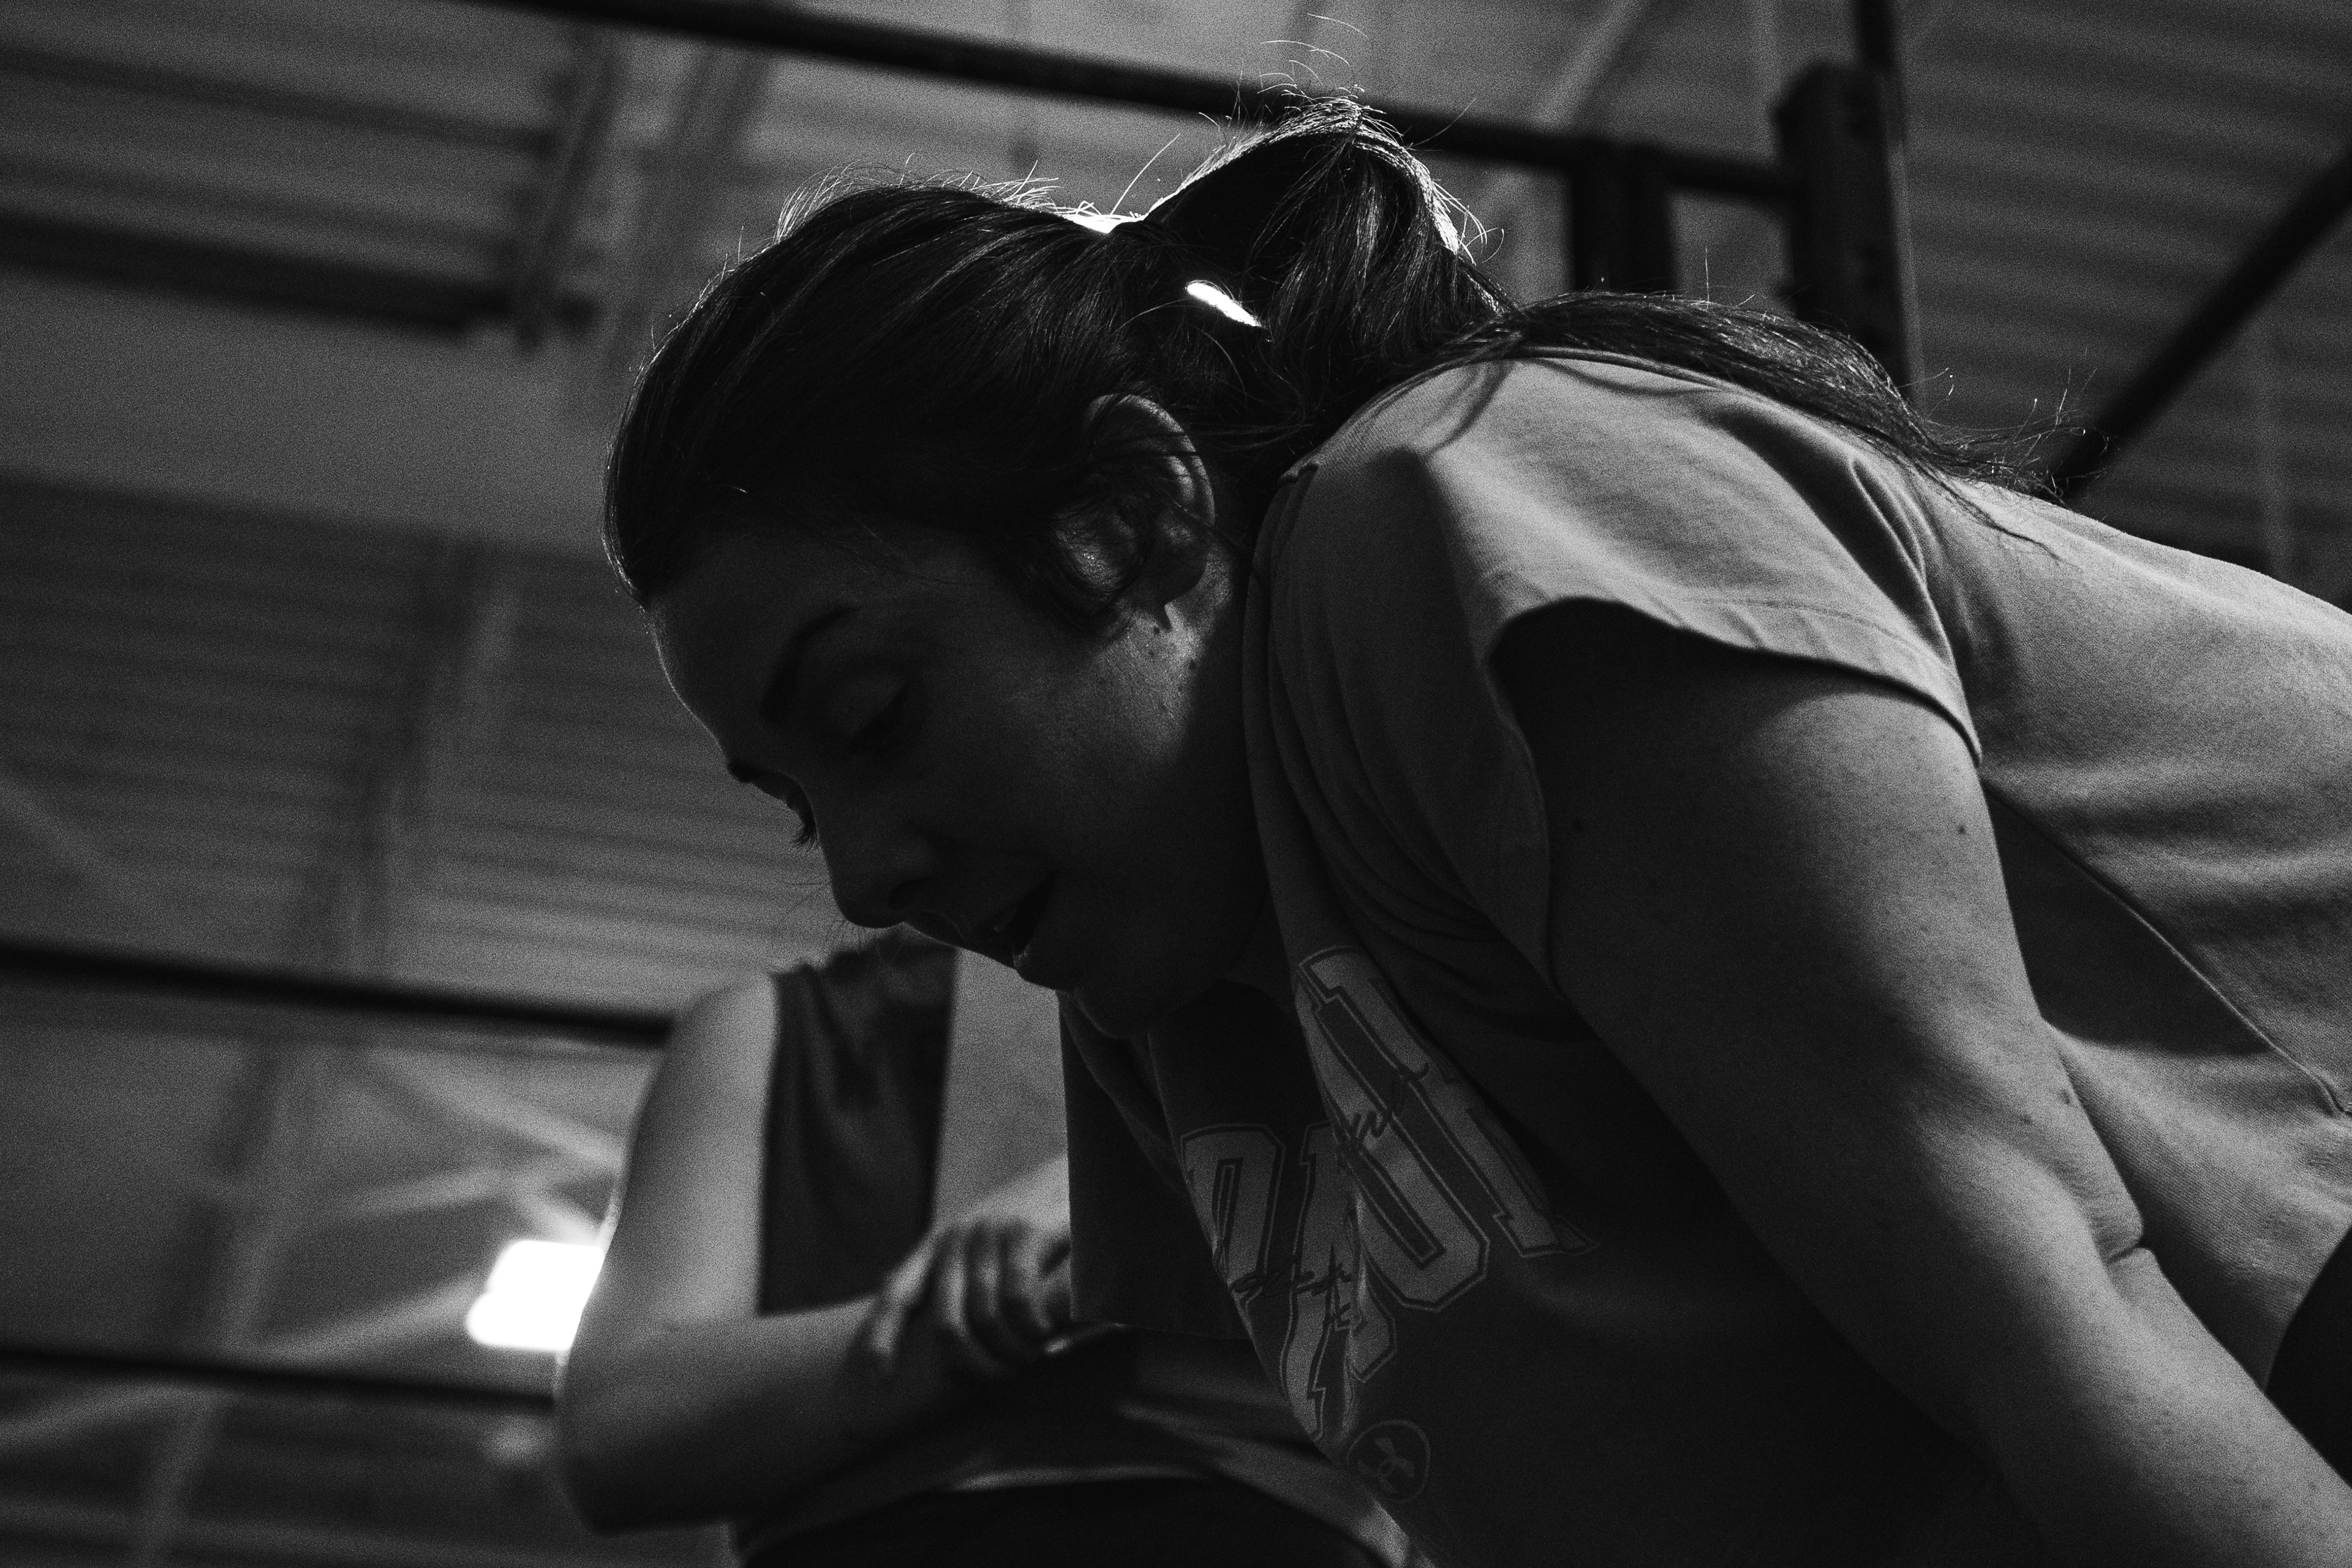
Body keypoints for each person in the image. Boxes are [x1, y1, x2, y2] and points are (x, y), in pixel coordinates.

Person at [599, 100, 2352, 1567]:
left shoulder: (1448, 519)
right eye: (799, 806)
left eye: (872, 718)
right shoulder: (1178, 1006)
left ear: (1130, 514)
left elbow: (2054, 1310)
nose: (865, 875)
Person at [557, 929, 1412, 1567]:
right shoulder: (771, 1025)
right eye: (800, 807)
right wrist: (1001, 1300)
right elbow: (616, 1437)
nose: (858, 876)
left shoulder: (1308, 975)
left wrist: (1126, 1204)